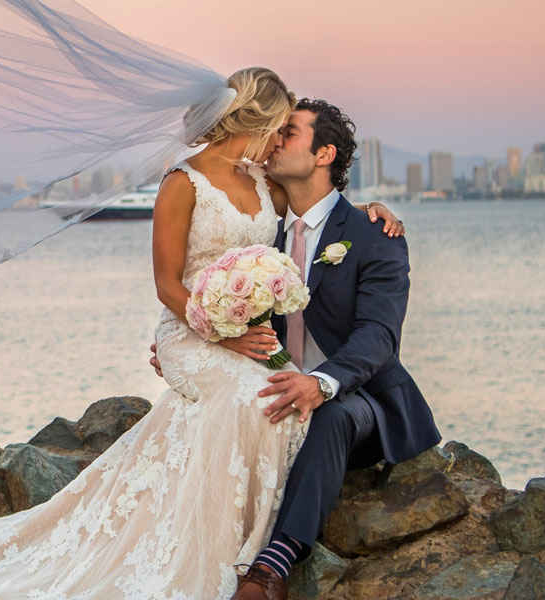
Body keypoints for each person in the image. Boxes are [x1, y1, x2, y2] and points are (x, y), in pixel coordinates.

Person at [0, 67, 403, 600]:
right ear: (256, 119)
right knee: (246, 398)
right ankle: (224, 559)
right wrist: (216, 333)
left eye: (289, 134)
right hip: (193, 330)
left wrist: (374, 211)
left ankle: (255, 555)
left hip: (243, 334)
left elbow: (319, 216)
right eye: (279, 128)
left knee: (274, 398)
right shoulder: (183, 182)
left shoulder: (266, 185)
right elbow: (166, 284)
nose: (279, 141)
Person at [152, 99, 440, 600]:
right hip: (276, 378)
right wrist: (192, 345)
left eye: (289, 133)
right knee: (227, 406)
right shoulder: (263, 236)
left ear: (324, 153)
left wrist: (321, 383)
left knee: (328, 413)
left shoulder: (375, 235)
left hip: (360, 397)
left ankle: (271, 568)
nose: (273, 139)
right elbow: (225, 305)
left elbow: (378, 337)